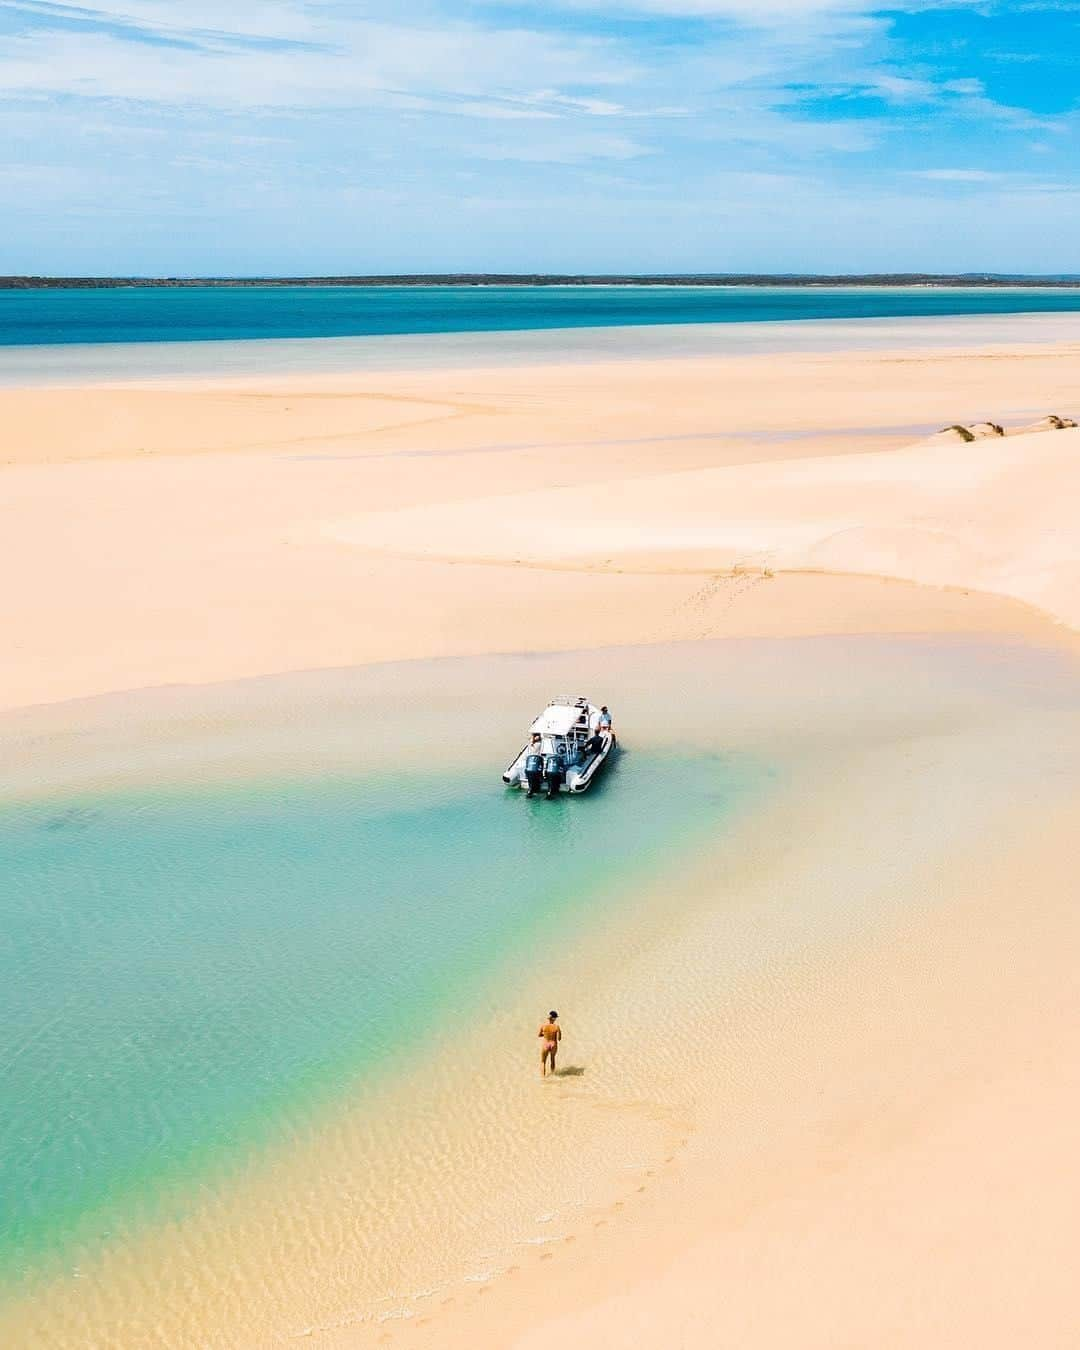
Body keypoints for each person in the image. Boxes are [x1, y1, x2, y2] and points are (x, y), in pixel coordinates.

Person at [538, 1010, 562, 1076]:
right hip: (553, 1044)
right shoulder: (557, 1027)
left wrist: (545, 1034)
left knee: (543, 1062)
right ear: (554, 1018)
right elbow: (559, 1038)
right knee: (552, 1059)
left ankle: (543, 1078)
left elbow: (539, 1035)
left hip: (545, 1044)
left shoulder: (543, 1026)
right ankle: (553, 1075)